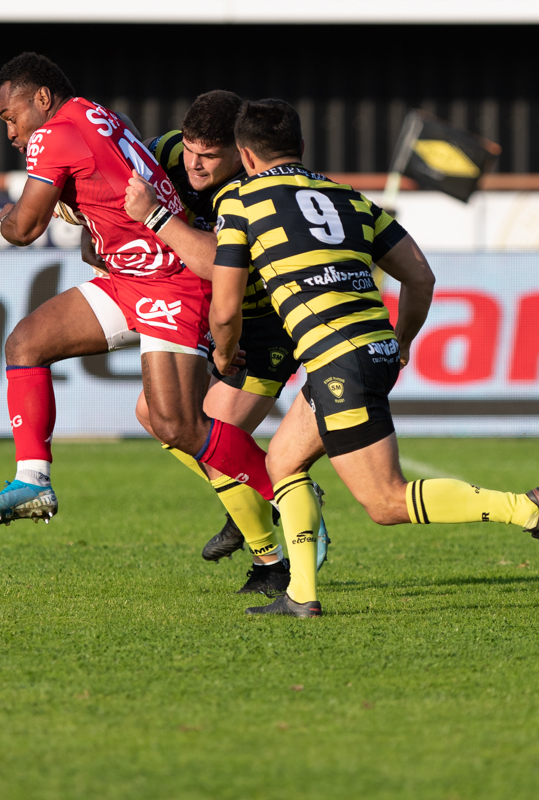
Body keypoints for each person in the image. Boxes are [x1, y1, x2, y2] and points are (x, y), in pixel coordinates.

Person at [210, 99, 539, 617]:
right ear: (301, 147)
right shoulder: (348, 198)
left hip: (338, 358)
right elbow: (421, 276)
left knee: (385, 501)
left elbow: (226, 308)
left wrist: (223, 354)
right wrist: (402, 341)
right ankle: (301, 594)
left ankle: (527, 510)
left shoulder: (241, 200)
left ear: (246, 155)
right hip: (370, 349)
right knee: (283, 461)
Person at [0, 54, 278, 574]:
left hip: (191, 290)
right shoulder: (107, 119)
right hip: (136, 277)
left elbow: (23, 229)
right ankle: (33, 481)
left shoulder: (54, 134)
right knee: (26, 344)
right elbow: (109, 186)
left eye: (10, 116)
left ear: (42, 98)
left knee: (177, 425)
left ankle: (284, 492)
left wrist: (5, 219)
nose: (12, 131)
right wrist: (91, 219)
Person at [122, 90, 327, 597]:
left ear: (242, 151)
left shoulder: (253, 190)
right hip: (214, 320)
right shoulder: (166, 152)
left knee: (215, 438)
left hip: (267, 324)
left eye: (209, 156)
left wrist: (155, 218)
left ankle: (273, 539)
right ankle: (275, 500)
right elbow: (112, 188)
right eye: (191, 149)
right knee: (157, 415)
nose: (194, 164)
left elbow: (217, 262)